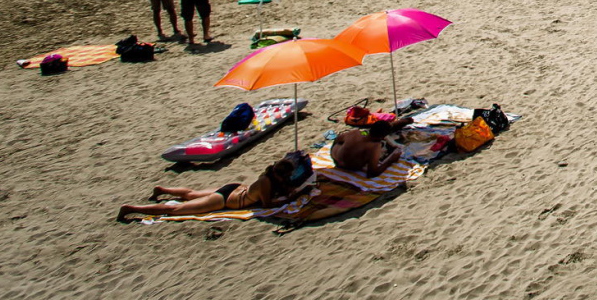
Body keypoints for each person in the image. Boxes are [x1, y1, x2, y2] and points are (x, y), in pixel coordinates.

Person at [117, 154, 309, 221]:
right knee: (175, 209)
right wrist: (293, 197)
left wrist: (290, 191)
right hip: (227, 200)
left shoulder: (269, 176)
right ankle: (132, 209)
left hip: (235, 188)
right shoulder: (266, 182)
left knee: (191, 194)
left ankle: (163, 190)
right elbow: (267, 205)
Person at [332, 122, 402, 177]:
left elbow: (337, 140)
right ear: (382, 137)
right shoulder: (374, 146)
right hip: (350, 167)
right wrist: (391, 160)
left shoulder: (356, 132)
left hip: (336, 159)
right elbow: (372, 173)